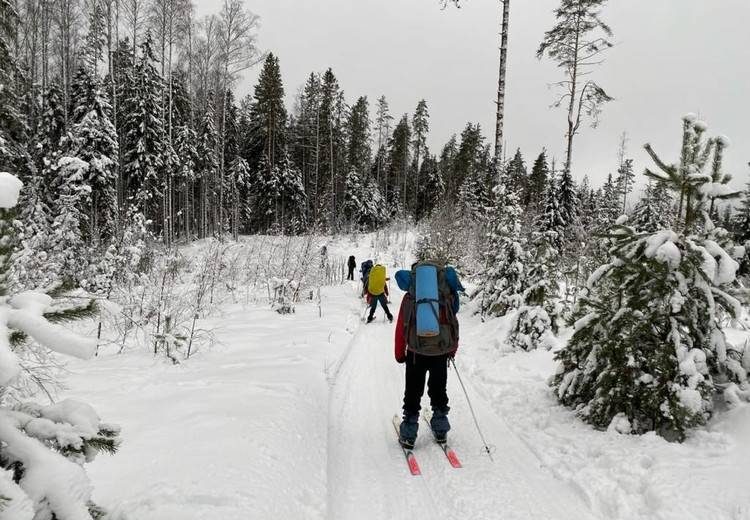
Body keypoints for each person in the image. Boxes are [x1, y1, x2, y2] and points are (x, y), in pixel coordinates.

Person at [393, 262, 462, 449]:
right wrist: (451, 350)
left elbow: (401, 328)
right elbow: (452, 323)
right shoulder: (445, 295)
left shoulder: (411, 297)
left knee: (413, 391)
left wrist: (400, 354)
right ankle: (440, 429)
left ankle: (408, 433)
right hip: (440, 351)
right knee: (439, 389)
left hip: (416, 351)